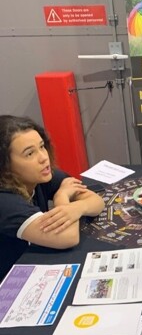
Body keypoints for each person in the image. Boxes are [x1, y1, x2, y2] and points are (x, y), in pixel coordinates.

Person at [0, 115, 105, 282]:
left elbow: (96, 201)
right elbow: (67, 237)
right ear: (5, 165)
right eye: (30, 153)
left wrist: (78, 208)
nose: (43, 157)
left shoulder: (40, 175)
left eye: (42, 146)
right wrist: (62, 197)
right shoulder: (5, 201)